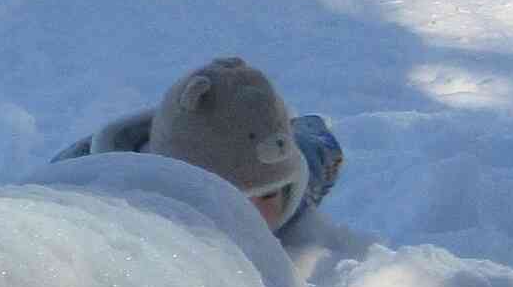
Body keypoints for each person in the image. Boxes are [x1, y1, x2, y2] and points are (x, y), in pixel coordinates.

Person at [55, 55, 341, 246]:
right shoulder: (107, 201)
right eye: (226, 195)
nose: (248, 213)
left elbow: (318, 146)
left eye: (266, 195)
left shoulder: (292, 183)